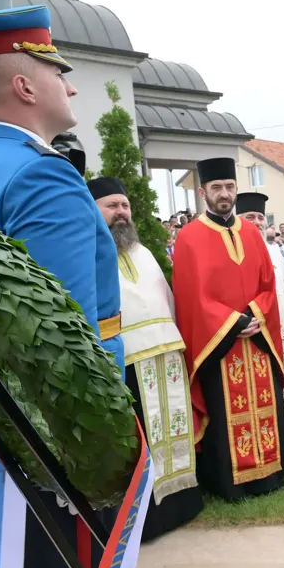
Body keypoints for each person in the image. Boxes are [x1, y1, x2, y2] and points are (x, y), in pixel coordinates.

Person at [0, 4, 126, 568]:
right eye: (57, 70)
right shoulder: (42, 176)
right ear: (25, 86)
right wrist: (91, 457)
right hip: (52, 440)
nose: (72, 83)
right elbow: (67, 345)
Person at [88, 176, 203, 542]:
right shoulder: (88, 250)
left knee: (173, 432)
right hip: (127, 362)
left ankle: (183, 503)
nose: (121, 212)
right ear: (93, 210)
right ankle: (146, 520)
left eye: (124, 205)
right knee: (142, 442)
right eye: (112, 206)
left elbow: (166, 299)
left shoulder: (144, 251)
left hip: (166, 354)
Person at [172, 158, 284, 501]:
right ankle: (233, 482)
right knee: (225, 412)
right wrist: (233, 322)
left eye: (229, 187)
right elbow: (191, 297)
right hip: (219, 345)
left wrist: (255, 314)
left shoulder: (252, 233)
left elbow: (267, 284)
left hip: (257, 336)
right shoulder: (189, 238)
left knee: (265, 403)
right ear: (202, 192)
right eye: (216, 188)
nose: (224, 194)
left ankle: (270, 472)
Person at [235, 191, 284, 451]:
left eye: (260, 217)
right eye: (249, 217)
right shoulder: (234, 249)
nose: (256, 222)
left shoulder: (276, 252)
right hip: (254, 331)